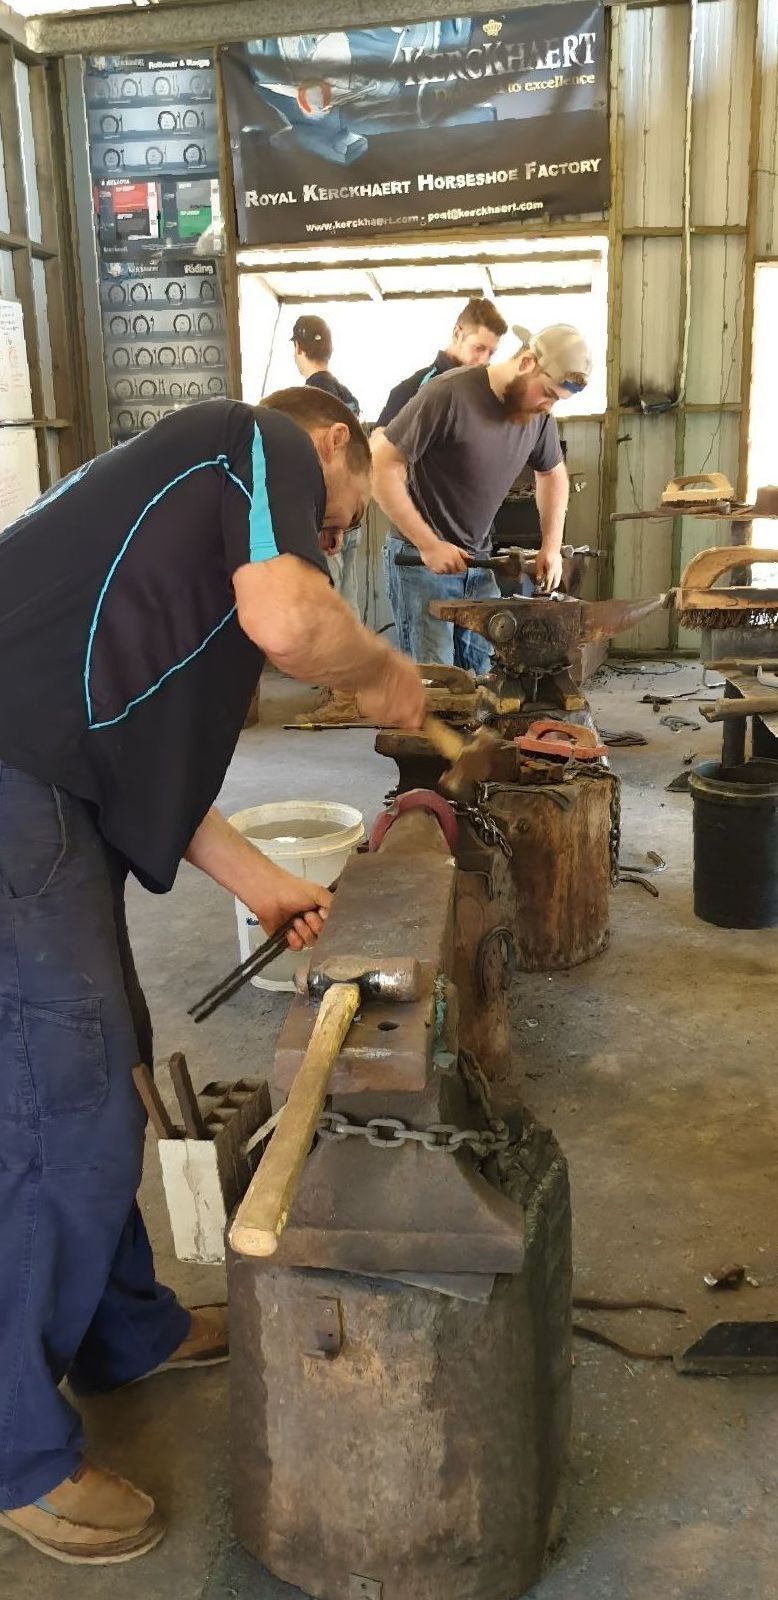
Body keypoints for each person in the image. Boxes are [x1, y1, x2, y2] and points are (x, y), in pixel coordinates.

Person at [0, 388, 424, 1565]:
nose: (332, 535)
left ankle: (121, 1328)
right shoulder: (259, 439)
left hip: (40, 784)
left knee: (105, 1058)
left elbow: (152, 770)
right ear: (331, 441)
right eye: (343, 518)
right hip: (9, 779)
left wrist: (261, 886)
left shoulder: (179, 533)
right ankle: (14, 1453)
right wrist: (387, 671)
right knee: (55, 1105)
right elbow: (293, 621)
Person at [372, 324, 591, 676]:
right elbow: (380, 465)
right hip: (420, 563)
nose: (548, 407)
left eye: (556, 401)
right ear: (526, 363)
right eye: (547, 393)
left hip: (478, 562)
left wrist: (552, 546)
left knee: (484, 677)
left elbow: (553, 474)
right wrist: (428, 544)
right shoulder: (448, 395)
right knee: (438, 684)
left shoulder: (539, 417)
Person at [292, 314, 362, 615]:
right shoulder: (349, 399)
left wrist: (328, 523)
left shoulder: (308, 402)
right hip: (352, 518)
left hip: (327, 524)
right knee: (349, 610)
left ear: (297, 348)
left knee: (326, 615)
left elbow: (321, 466)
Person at [374, 296, 508, 430]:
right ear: (457, 334)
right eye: (478, 348)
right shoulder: (411, 390)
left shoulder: (486, 396)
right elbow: (375, 448)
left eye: (491, 353)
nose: (484, 361)